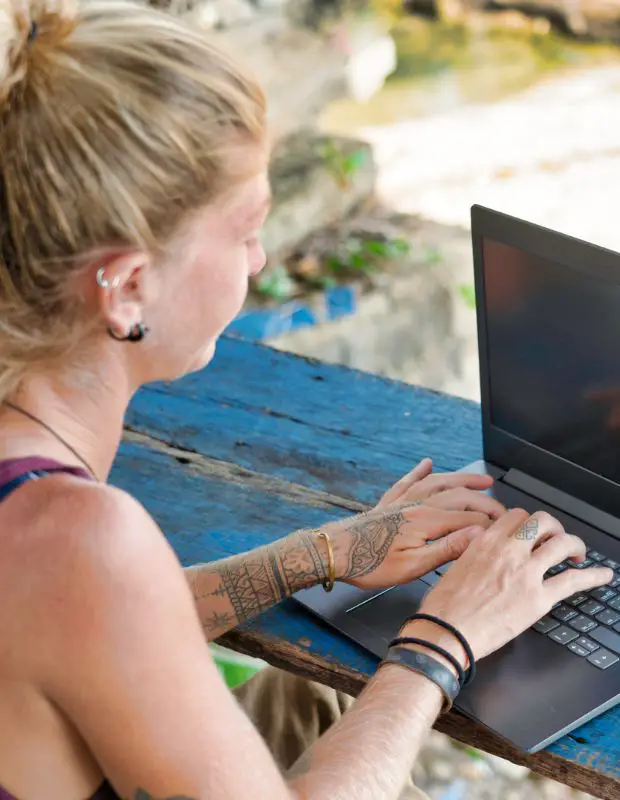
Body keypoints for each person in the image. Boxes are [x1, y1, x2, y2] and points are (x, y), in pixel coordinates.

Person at [0, 2, 613, 799]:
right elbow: (94, 588)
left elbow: (103, 624)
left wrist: (326, 553)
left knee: (317, 693)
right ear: (126, 286)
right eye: (246, 228)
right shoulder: (81, 539)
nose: (258, 259)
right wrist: (443, 636)